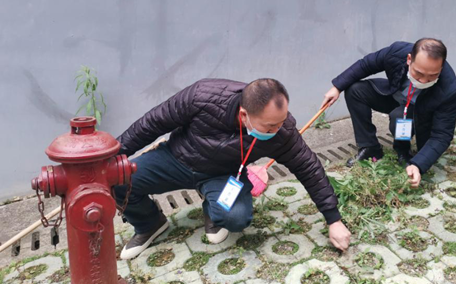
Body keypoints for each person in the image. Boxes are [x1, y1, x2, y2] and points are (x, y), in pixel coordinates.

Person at [115, 78, 351, 259]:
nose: (277, 130)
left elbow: (309, 168)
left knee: (236, 218)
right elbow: (151, 124)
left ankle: (213, 207)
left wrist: (333, 220)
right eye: (270, 126)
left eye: (282, 122)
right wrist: (111, 155)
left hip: (222, 174)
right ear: (244, 115)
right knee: (117, 179)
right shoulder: (202, 96)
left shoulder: (282, 132)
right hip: (175, 159)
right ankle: (150, 223)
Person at [321, 39, 456, 188]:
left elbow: (442, 135)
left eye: (432, 75)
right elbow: (366, 64)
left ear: (441, 67)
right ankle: (370, 148)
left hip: (418, 113)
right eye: (418, 73)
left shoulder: (450, 89)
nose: (424, 80)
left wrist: (418, 165)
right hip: (395, 95)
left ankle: (403, 152)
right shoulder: (397, 52)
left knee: (400, 117)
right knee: (355, 90)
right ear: (409, 59)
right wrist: (337, 87)